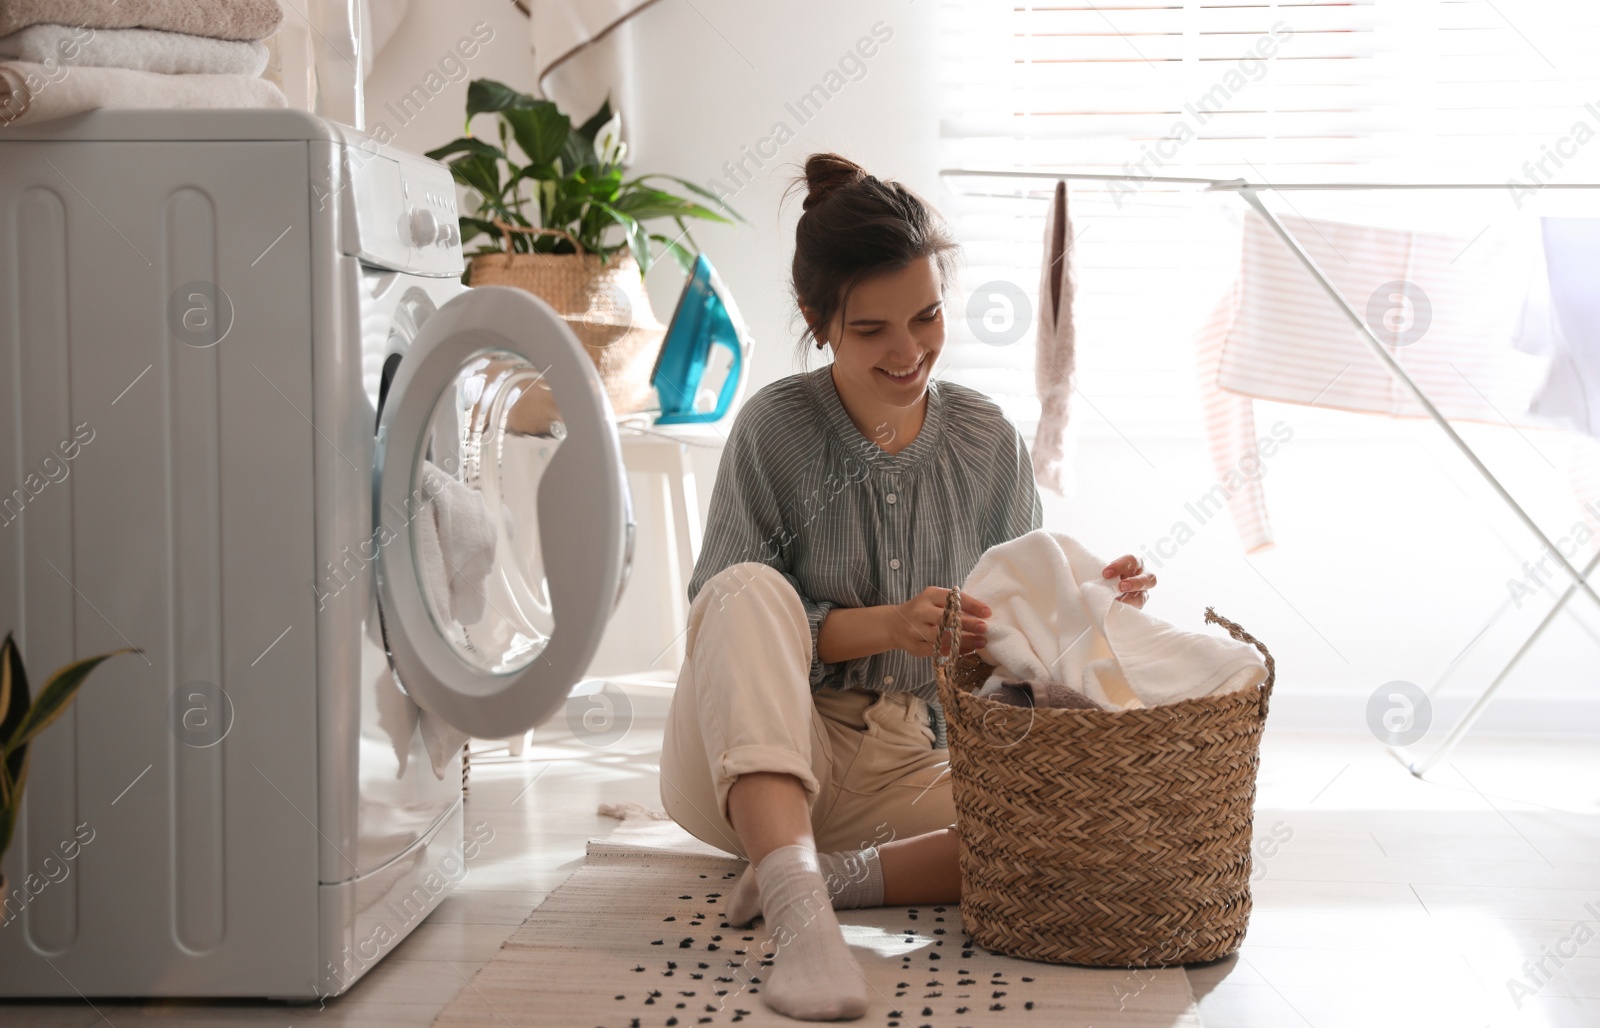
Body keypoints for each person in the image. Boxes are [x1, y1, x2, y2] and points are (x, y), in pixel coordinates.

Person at [658, 153, 1156, 1022]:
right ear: (819, 323)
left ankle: (827, 879)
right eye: (871, 330)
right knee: (745, 590)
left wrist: (1084, 599)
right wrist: (888, 625)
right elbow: (721, 629)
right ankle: (803, 921)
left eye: (926, 317)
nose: (907, 351)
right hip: (751, 751)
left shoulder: (988, 443)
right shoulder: (773, 429)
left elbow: (1019, 640)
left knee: (1095, 827)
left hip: (909, 761)